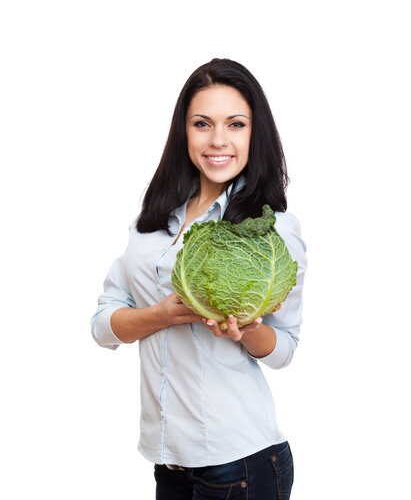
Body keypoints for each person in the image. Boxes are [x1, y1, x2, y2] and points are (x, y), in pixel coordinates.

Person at [91, 58, 307, 499]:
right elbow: (102, 324)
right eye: (202, 123)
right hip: (168, 463)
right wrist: (160, 316)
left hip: (241, 462)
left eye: (237, 124)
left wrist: (249, 331)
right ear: (183, 133)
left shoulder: (271, 229)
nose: (218, 140)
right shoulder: (152, 223)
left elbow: (284, 350)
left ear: (255, 133)